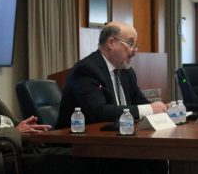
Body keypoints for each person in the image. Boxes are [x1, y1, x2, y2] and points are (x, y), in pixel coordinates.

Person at [0, 13, 101, 174]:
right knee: (84, 162)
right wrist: (16, 132)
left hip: (13, 149)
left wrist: (25, 128)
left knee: (91, 156)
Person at [56, 21, 168, 174]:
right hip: (86, 148)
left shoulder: (126, 71)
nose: (134, 51)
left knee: (158, 160)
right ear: (111, 43)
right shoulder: (87, 70)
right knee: (138, 170)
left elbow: (141, 103)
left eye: (136, 45)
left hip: (118, 144)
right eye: (130, 43)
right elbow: (99, 112)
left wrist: (161, 109)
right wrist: (148, 109)